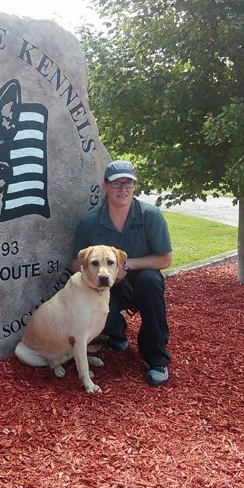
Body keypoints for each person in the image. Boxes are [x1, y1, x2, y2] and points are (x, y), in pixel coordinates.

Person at [70, 160, 173, 386]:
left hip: (140, 278)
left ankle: (156, 358)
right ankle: (116, 335)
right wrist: (99, 273)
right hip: (103, 283)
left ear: (135, 186)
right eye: (117, 183)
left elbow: (165, 259)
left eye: (129, 183)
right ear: (105, 185)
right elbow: (75, 265)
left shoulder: (150, 216)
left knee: (151, 281)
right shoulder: (90, 221)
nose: (123, 189)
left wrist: (126, 266)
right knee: (96, 299)